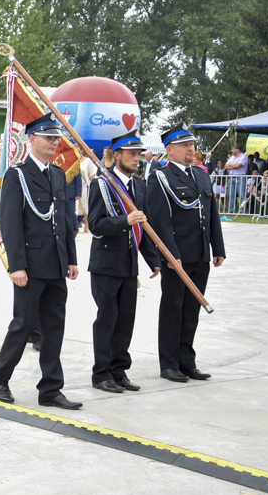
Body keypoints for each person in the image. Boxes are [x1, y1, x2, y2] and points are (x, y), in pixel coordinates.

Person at [0, 113, 80, 410]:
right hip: (30, 263)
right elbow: (11, 223)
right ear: (32, 140)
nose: (54, 143)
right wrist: (16, 265)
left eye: (56, 138)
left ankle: (51, 389)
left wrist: (71, 258)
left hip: (55, 263)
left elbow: (65, 220)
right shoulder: (17, 175)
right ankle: (0, 375)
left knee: (54, 327)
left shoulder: (56, 174)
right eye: (48, 137)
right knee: (24, 324)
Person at [146, 123, 225, 383]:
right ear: (170, 150)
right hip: (177, 256)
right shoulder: (161, 177)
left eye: (191, 144)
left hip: (200, 253)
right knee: (173, 309)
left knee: (192, 309)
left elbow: (212, 214)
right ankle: (168, 363)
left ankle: (186, 361)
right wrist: (169, 253)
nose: (191, 149)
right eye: (184, 145)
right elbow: (159, 219)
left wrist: (218, 247)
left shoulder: (201, 175)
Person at [88, 130, 161, 393]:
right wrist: (123, 221)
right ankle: (101, 374)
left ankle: (119, 371)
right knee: (107, 319)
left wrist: (153, 260)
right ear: (116, 155)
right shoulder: (102, 184)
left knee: (125, 321)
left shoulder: (139, 185)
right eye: (131, 154)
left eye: (139, 154)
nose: (136, 159)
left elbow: (144, 228)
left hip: (129, 265)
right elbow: (94, 225)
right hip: (106, 265)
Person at [224, 144, 248, 214]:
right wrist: (234, 166)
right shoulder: (232, 157)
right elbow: (226, 166)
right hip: (231, 177)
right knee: (231, 195)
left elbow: (238, 165)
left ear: (237, 150)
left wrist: (232, 165)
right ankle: (230, 211)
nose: (232, 150)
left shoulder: (244, 157)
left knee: (241, 195)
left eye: (233, 149)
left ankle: (242, 211)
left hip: (240, 177)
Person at [78, 157, 95, 232]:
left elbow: (92, 175)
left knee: (85, 206)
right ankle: (74, 225)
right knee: (74, 206)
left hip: (84, 185)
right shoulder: (72, 159)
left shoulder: (88, 161)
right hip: (72, 185)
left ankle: (87, 225)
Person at [67, 171, 81, 236]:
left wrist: (78, 193)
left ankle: (75, 229)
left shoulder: (74, 163)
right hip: (60, 192)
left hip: (71, 193)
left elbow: (78, 179)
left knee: (72, 213)